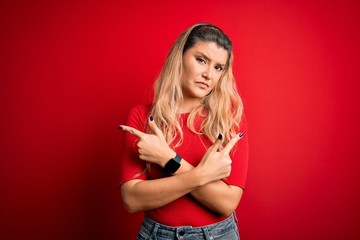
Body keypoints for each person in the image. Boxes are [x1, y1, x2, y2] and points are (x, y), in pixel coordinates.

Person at [118, 23, 248, 240]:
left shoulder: (229, 118)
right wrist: (202, 175)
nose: (208, 74)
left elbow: (227, 203)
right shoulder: (142, 117)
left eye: (218, 67)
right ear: (180, 57)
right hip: (158, 235)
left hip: (218, 235)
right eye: (201, 60)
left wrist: (167, 158)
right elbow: (131, 200)